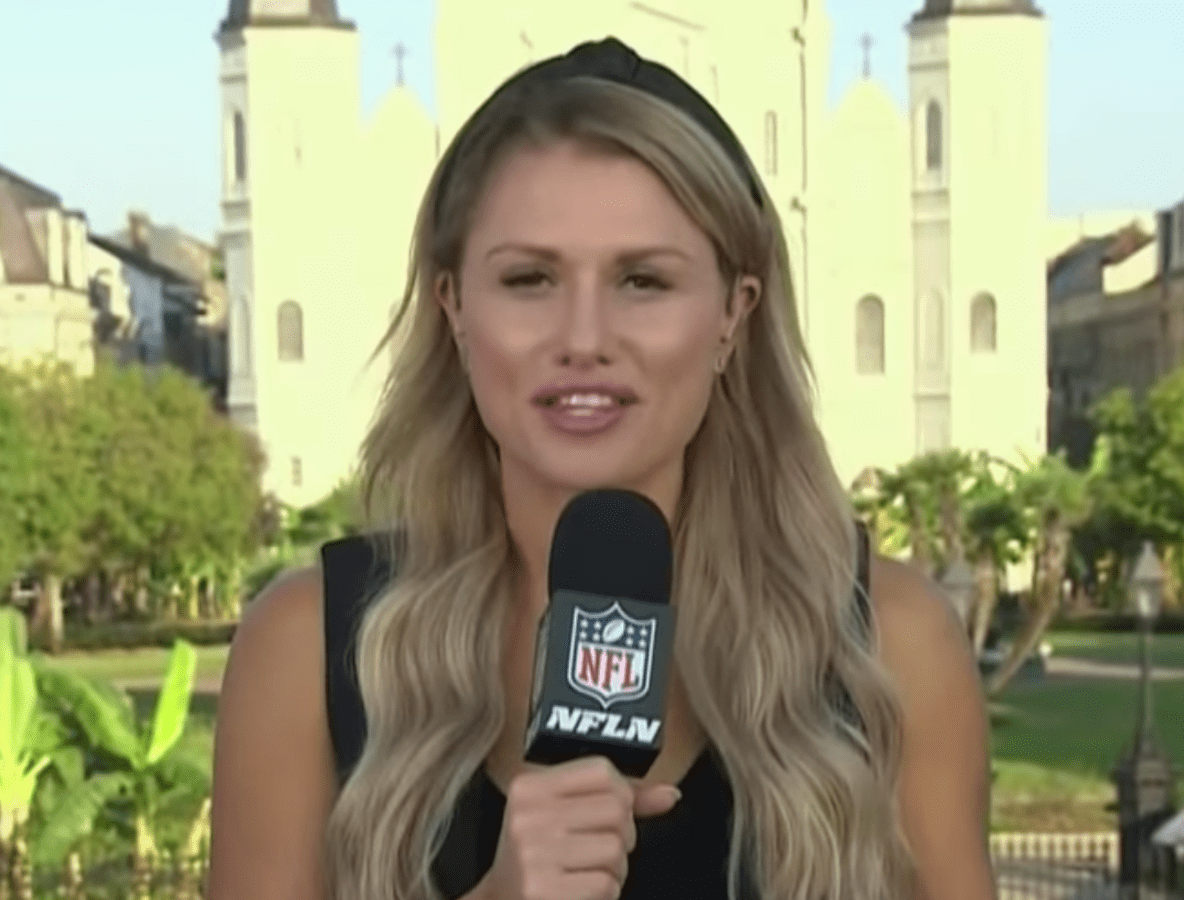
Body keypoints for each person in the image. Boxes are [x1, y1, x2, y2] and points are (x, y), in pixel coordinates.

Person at [206, 37, 995, 900]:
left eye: (643, 281)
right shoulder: (309, 648)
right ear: (455, 306)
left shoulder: (890, 644)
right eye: (530, 279)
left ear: (734, 313)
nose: (583, 341)